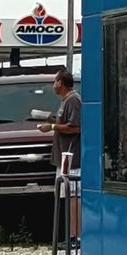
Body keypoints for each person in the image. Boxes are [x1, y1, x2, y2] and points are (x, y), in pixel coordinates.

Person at [51, 69, 82, 244]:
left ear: (60, 83)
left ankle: (77, 236)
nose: (53, 85)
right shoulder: (65, 101)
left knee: (74, 195)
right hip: (63, 156)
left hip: (72, 156)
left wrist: (53, 127)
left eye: (54, 81)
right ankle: (70, 234)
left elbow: (76, 127)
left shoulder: (73, 100)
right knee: (67, 195)